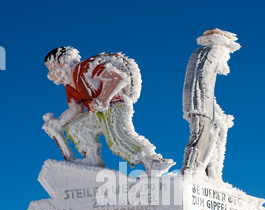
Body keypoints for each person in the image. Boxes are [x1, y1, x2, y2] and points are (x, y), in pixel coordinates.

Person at [43, 47, 175, 174]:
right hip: (98, 113)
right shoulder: (69, 87)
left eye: (50, 67)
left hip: (116, 106)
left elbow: (118, 78)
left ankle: (153, 161)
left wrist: (102, 99)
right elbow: (75, 109)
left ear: (62, 61)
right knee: (77, 127)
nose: (49, 75)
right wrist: (58, 123)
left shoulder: (86, 67)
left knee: (117, 137)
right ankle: (93, 159)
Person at [182, 29, 240, 178]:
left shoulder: (200, 53)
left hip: (200, 103)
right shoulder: (212, 53)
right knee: (201, 138)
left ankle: (204, 173)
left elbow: (206, 89)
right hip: (200, 106)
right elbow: (203, 84)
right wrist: (213, 112)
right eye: (227, 54)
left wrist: (218, 114)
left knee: (207, 138)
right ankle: (191, 172)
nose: (227, 59)